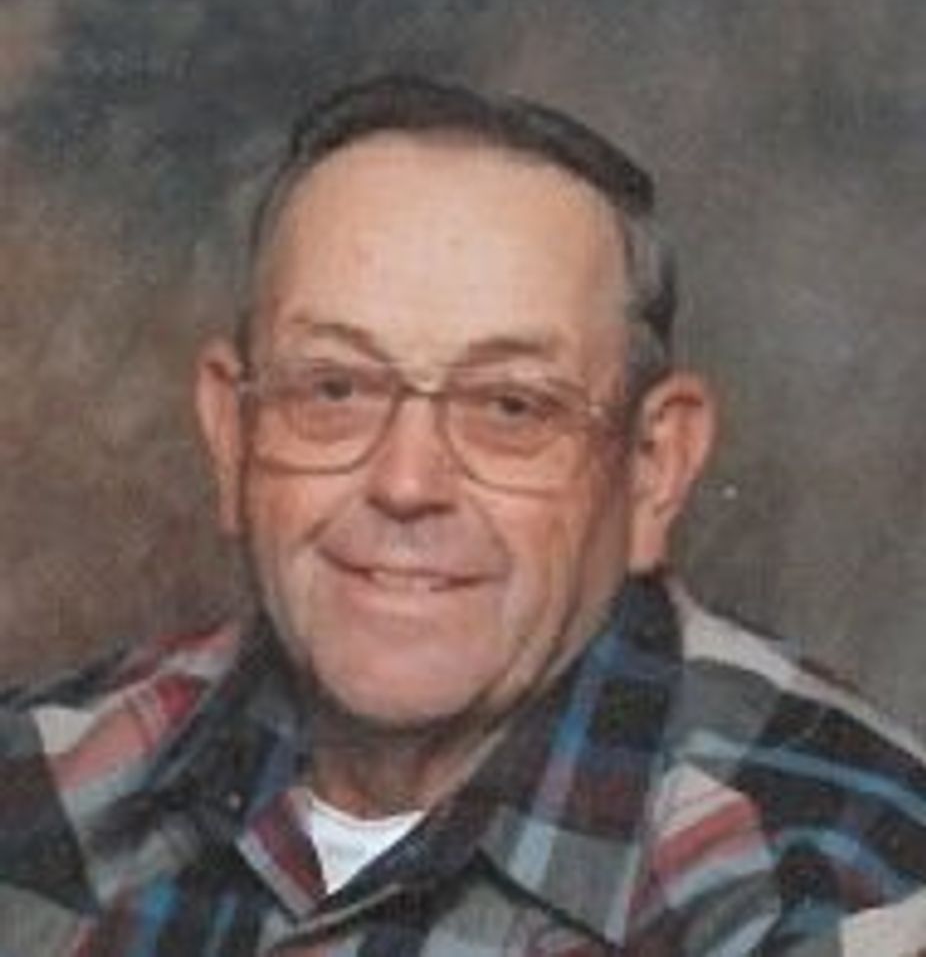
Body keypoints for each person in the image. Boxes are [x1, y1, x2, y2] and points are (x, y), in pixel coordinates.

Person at [1, 74, 925, 956]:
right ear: (233, 433)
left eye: (511, 407)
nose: (407, 483)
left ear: (654, 466)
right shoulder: (35, 783)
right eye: (334, 388)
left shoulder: (850, 881)